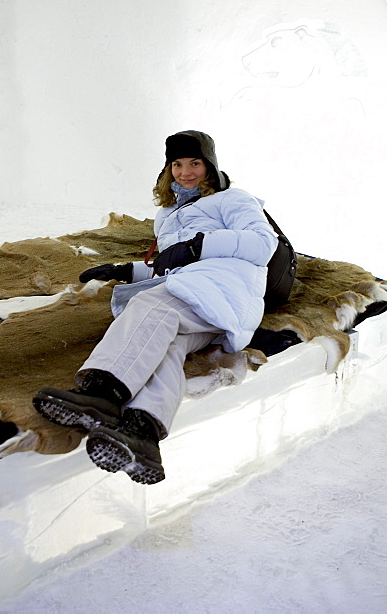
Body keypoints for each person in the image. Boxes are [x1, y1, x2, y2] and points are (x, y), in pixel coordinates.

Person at [32, 130, 278, 484]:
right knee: (168, 343)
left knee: (153, 306)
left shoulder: (233, 199)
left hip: (224, 287)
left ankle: (102, 394)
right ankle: (142, 433)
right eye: (177, 164)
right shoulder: (168, 214)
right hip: (199, 296)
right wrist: (126, 270)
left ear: (210, 165)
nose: (186, 172)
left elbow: (262, 244)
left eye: (195, 163)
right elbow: (170, 263)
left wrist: (197, 247)